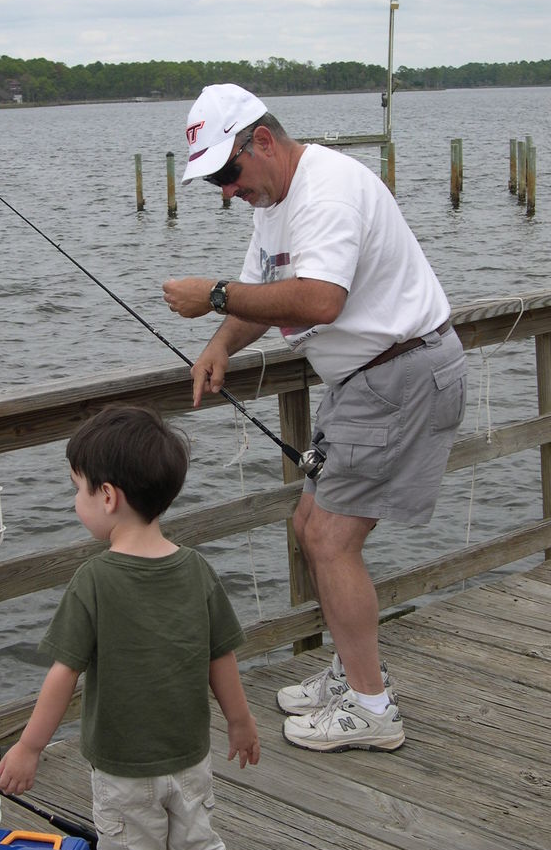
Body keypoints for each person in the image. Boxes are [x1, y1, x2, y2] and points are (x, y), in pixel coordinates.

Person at [163, 83, 467, 753]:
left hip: (400, 372)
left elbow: (320, 300)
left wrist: (210, 295)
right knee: (310, 525)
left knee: (331, 540)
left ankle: (371, 708)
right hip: (366, 380)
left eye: (227, 173)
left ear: (262, 142)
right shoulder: (270, 204)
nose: (225, 190)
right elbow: (265, 300)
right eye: (213, 180)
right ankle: (353, 673)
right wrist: (218, 345)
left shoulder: (326, 190)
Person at [0, 404, 263, 850]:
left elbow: (63, 675)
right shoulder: (196, 568)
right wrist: (240, 721)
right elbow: (222, 657)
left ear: (109, 497)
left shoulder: (94, 579)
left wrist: (29, 747)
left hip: (121, 768)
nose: (76, 503)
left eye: (78, 490)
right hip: (189, 755)